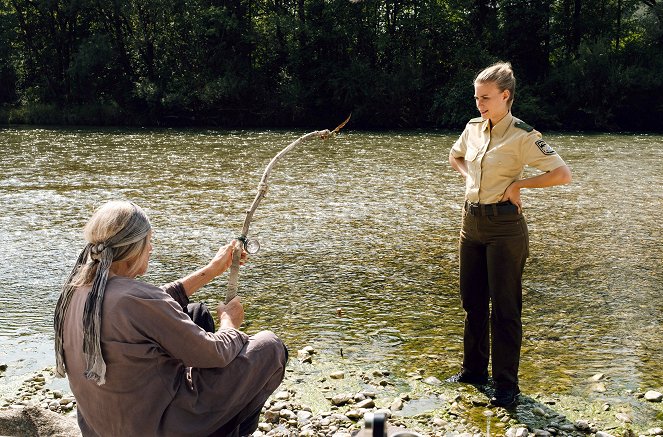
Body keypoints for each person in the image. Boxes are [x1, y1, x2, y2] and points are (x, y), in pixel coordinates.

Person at [54, 200, 287, 436]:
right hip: (153, 428)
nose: (151, 249)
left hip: (103, 427)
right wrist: (229, 323)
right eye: (149, 242)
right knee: (270, 347)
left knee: (196, 314)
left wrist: (213, 269)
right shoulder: (136, 300)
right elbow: (214, 352)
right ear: (133, 248)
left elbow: (155, 304)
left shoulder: (76, 291)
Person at [447, 62, 572, 407]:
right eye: (476, 98)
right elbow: (455, 156)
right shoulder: (473, 128)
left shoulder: (523, 136)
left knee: (505, 309)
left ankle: (506, 386)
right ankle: (473, 371)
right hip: (469, 224)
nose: (480, 104)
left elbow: (562, 174)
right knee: (472, 303)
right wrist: (470, 179)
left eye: (486, 98)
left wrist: (519, 184)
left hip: (504, 229)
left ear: (505, 96)